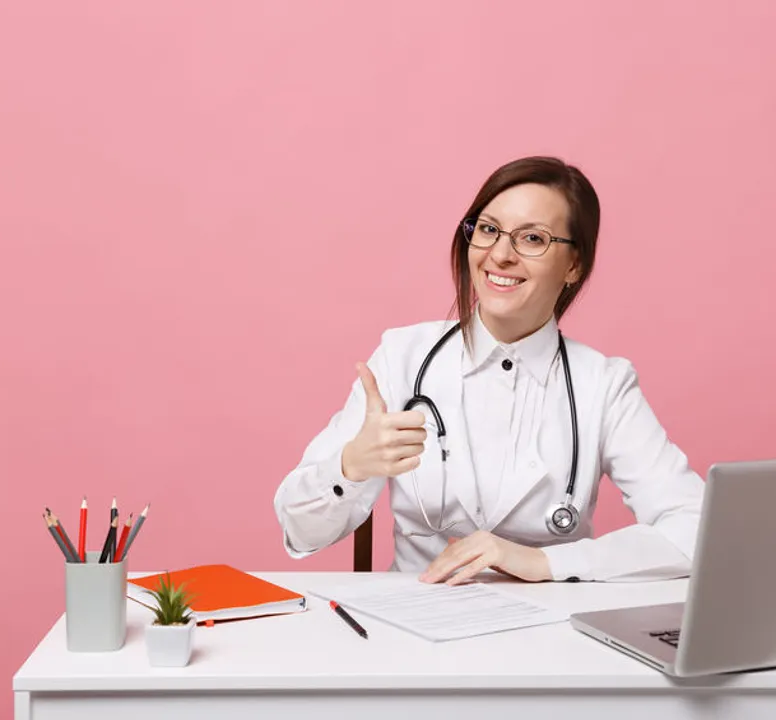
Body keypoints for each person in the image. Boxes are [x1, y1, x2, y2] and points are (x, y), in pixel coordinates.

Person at [273, 155, 705, 585]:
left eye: (532, 239)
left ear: (574, 265)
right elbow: (299, 531)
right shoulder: (401, 357)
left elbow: (696, 530)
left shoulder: (604, 384)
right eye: (488, 229)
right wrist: (350, 467)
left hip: (549, 634)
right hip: (416, 623)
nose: (500, 254)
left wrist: (545, 563)